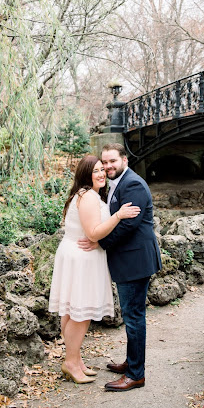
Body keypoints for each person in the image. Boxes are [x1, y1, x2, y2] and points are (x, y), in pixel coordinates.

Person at [48, 154, 141, 384]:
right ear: (86, 175)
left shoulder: (83, 194)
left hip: (76, 255)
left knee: (72, 311)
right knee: (81, 313)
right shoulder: (88, 196)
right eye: (96, 171)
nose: (101, 174)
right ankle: (70, 362)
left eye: (102, 169)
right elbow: (92, 234)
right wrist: (119, 215)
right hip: (82, 258)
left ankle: (75, 359)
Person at [79, 143, 161, 392]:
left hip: (135, 261)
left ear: (124, 159)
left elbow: (129, 226)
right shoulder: (119, 183)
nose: (107, 166)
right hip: (129, 259)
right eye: (104, 162)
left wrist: (99, 241)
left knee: (134, 317)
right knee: (131, 315)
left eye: (112, 161)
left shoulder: (133, 184)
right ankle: (131, 362)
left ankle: (136, 374)